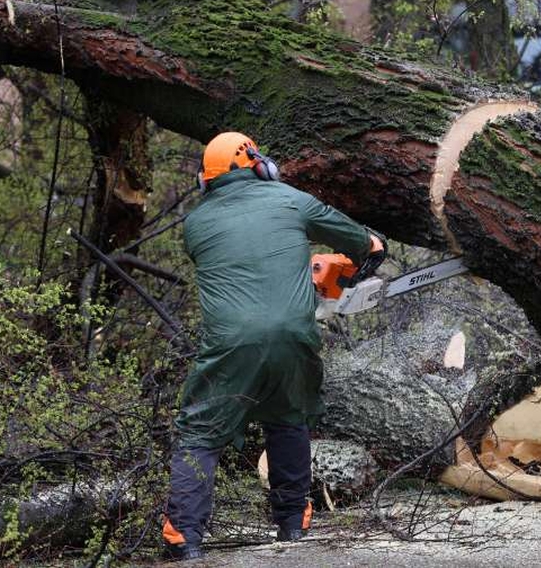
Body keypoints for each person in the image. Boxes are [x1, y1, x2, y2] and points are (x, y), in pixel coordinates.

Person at [162, 131, 384, 561]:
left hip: (230, 343)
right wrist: (368, 253)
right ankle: (291, 524)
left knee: (200, 432)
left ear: (206, 180)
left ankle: (184, 537)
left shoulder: (196, 224)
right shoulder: (291, 200)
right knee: (288, 418)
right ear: (259, 165)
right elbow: (365, 243)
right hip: (293, 335)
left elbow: (242, 260)